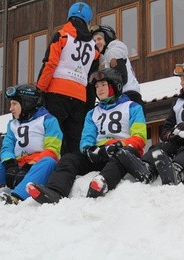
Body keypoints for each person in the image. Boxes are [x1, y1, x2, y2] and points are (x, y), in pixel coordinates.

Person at [26, 68, 147, 203]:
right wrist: (89, 149)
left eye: (103, 85)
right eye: (96, 86)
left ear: (115, 85)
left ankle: (102, 183)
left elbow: (140, 137)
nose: (99, 89)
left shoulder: (133, 107)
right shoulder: (92, 113)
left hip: (124, 154)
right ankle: (55, 191)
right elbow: (86, 138)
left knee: (122, 155)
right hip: (100, 154)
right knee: (69, 158)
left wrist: (118, 145)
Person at [36, 1, 100, 155]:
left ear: (69, 17)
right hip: (79, 97)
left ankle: (52, 171)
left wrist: (40, 90)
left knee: (54, 136)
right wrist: (89, 105)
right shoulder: (94, 48)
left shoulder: (62, 36)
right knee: (74, 140)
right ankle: (72, 172)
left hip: (56, 94)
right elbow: (91, 78)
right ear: (88, 21)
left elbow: (49, 64)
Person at [89, 24, 145, 113]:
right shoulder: (111, 52)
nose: (96, 43)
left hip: (127, 98)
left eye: (99, 39)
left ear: (107, 38)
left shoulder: (113, 51)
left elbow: (121, 77)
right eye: (94, 40)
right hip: (130, 97)